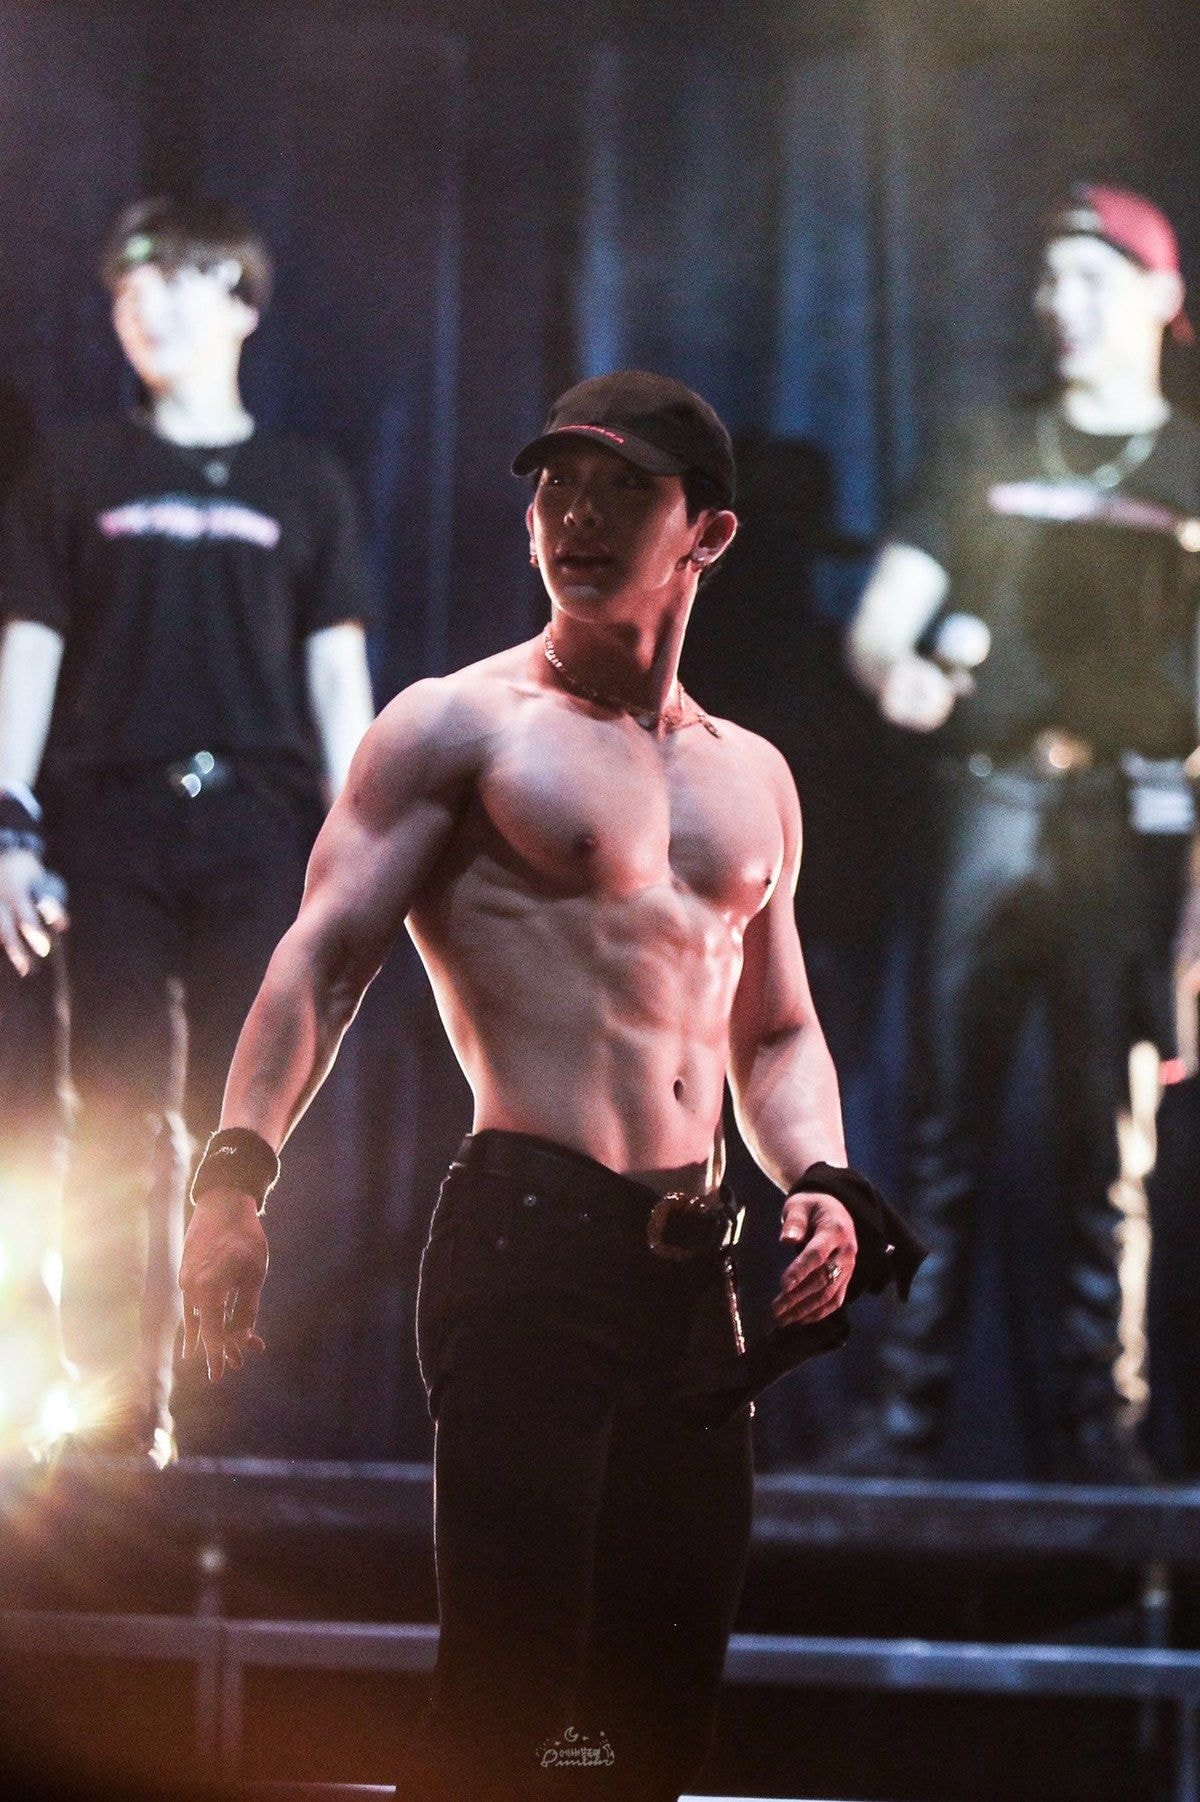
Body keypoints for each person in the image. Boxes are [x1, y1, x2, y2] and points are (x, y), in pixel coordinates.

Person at [179, 370, 922, 1801]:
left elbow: (775, 1030)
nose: (573, 516)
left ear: (706, 532)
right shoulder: (459, 726)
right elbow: (322, 960)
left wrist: (821, 1178)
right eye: (555, 485)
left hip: (691, 1274)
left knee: (650, 1720)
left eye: (620, 489)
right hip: (530, 1240)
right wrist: (232, 1176)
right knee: (509, 1708)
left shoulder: (754, 777)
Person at [0, 195, 376, 1463]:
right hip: (108, 823)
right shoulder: (75, 471)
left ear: (241, 302)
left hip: (261, 829)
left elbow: (338, 674)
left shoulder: (303, 481)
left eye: (174, 282)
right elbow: (29, 647)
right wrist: (8, 823)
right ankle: (111, 1412)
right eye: (126, 291)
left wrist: (370, 842)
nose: (145, 309)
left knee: (245, 1115)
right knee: (110, 1105)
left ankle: (232, 1413)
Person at [844, 183, 1200, 1483]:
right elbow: (884, 623)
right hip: (991, 804)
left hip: (1134, 816)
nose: (1064, 301)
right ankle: (904, 1420)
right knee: (943, 1122)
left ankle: (1105, 1437)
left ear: (1162, 296)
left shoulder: (1190, 463)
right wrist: (898, 672)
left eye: (1092, 276)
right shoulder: (987, 446)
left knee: (1107, 1137)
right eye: (1050, 278)